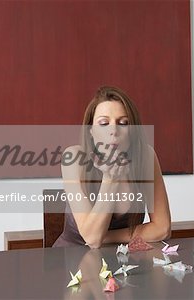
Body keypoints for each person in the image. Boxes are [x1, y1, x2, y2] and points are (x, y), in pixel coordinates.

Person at [53, 86, 171, 248]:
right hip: (73, 260)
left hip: (123, 259)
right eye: (103, 123)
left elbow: (162, 229)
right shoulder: (74, 158)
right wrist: (111, 179)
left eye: (123, 123)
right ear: (90, 131)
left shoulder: (146, 156)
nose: (113, 131)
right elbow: (93, 239)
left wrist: (106, 237)